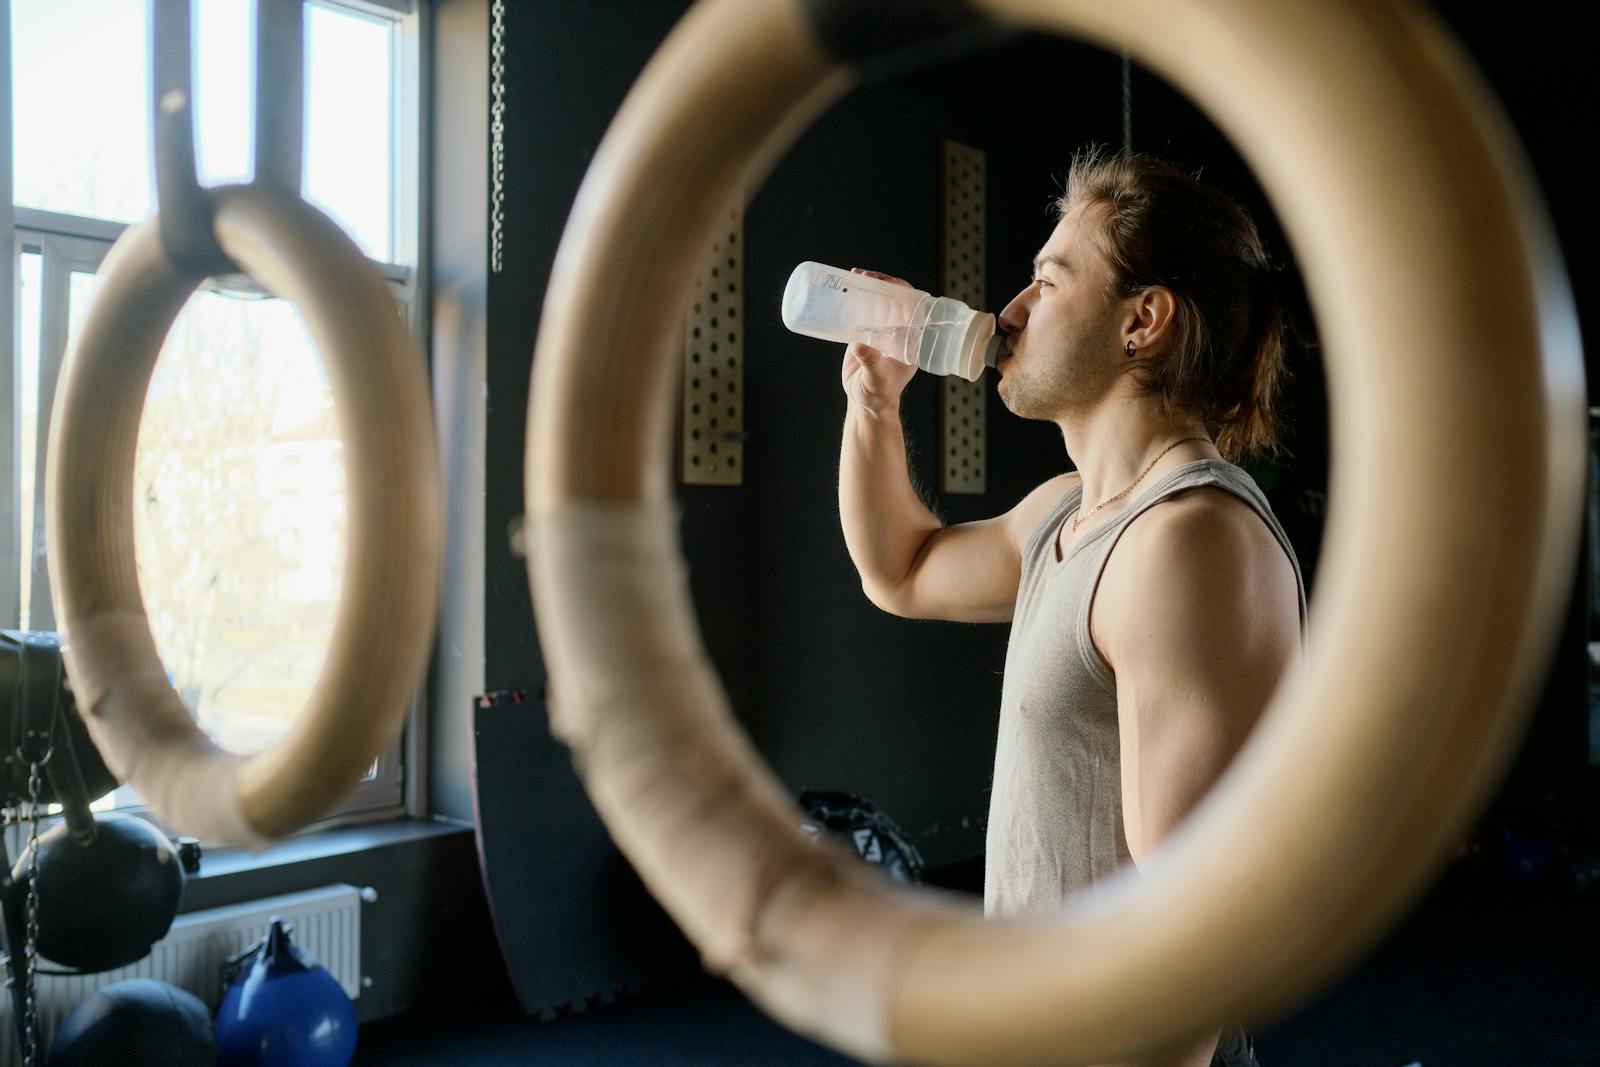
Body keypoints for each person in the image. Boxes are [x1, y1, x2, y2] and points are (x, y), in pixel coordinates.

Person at [836, 148, 1306, 1067]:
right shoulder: (1068, 509)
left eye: (1048, 282)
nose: (1009, 311)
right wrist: (874, 406)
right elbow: (900, 569)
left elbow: (1192, 931)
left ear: (1144, 320)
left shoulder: (1189, 542)